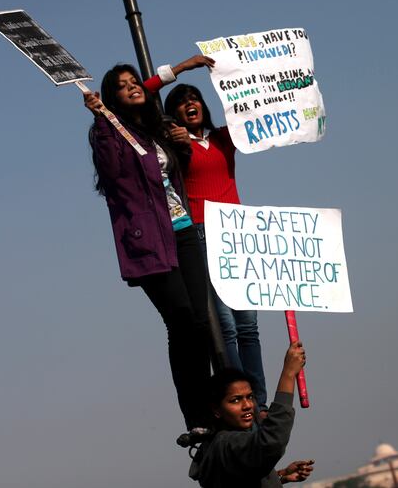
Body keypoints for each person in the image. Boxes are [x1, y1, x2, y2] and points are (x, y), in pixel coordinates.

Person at [83, 64, 214, 432]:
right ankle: (197, 417)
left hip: (183, 231)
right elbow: (112, 170)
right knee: (182, 322)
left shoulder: (154, 129)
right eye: (122, 87)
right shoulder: (109, 133)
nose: (132, 88)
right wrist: (102, 119)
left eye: (134, 83)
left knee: (201, 322)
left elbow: (173, 176)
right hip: (150, 242)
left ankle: (211, 408)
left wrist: (183, 147)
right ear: (113, 98)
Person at [140, 57, 270, 414]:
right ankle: (235, 398)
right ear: (172, 114)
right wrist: (184, 67)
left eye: (193, 97)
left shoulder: (225, 138)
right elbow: (142, 96)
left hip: (238, 231)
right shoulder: (174, 148)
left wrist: (237, 72)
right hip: (201, 231)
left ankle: (257, 400)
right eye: (180, 101)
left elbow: (259, 106)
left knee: (249, 324)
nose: (189, 103)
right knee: (224, 324)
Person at [191, 341, 314, 487]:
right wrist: (288, 374)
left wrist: (279, 476)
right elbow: (272, 441)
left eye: (249, 397)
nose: (247, 405)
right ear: (216, 410)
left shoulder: (224, 445)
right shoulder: (225, 444)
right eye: (235, 400)